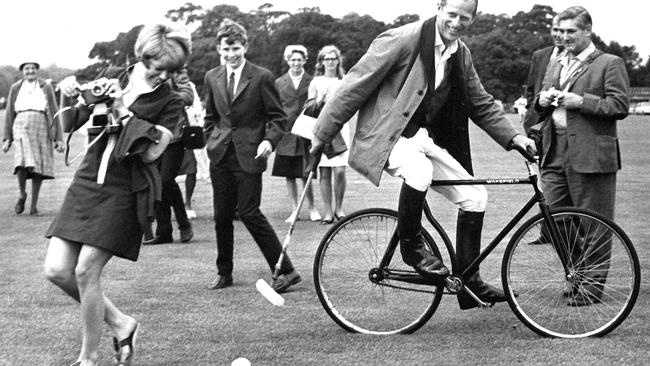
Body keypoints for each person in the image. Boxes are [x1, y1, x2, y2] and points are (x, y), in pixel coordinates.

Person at [311, 0, 536, 310]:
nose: (456, 22)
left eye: (465, 18)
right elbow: (354, 85)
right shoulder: (403, 39)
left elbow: (480, 103)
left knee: (475, 196)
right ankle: (412, 248)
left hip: (419, 138)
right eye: (452, 14)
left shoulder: (461, 54)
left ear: (473, 18)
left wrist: (515, 137)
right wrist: (322, 134)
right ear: (439, 7)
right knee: (419, 171)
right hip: (386, 136)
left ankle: (469, 283)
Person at [43, 24, 191, 366]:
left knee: (84, 271)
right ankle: (122, 323)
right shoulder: (112, 75)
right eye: (156, 66)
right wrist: (72, 94)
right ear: (144, 55)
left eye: (171, 70)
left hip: (126, 189)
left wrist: (122, 108)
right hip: (86, 183)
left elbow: (153, 152)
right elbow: (71, 123)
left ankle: (87, 359)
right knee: (56, 270)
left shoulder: (170, 102)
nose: (162, 75)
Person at [533, 6, 630, 307]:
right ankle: (578, 272)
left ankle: (592, 286)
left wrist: (580, 101)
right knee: (552, 218)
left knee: (595, 224)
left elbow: (619, 105)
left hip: (591, 152)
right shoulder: (556, 62)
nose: (564, 37)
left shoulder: (609, 63)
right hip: (554, 149)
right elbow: (539, 102)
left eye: (570, 32)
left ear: (587, 31)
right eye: (560, 32)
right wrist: (542, 99)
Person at [203, 19, 301, 293]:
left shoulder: (262, 77)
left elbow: (278, 118)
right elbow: (211, 116)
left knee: (249, 212)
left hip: (250, 155)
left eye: (235, 48)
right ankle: (224, 273)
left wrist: (269, 142)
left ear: (244, 46)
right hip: (220, 155)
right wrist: (211, 139)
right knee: (221, 216)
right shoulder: (212, 77)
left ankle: (286, 271)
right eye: (226, 49)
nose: (231, 54)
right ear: (219, 49)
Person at [2, 61, 64, 215]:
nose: (30, 71)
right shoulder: (16, 87)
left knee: (38, 166)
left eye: (33, 68)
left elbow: (54, 110)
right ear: (23, 71)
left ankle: (33, 206)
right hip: (21, 124)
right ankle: (22, 194)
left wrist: (58, 138)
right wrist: (7, 138)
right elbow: (10, 111)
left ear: (37, 70)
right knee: (21, 162)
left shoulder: (46, 86)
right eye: (27, 69)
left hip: (41, 125)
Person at [143, 67, 194, 245]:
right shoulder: (144, 71)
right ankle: (164, 232)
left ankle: (184, 224)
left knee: (165, 180)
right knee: (156, 182)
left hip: (174, 136)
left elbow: (188, 96)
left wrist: (161, 98)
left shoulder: (177, 71)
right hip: (151, 136)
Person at [272, 45, 321, 223]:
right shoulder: (279, 82)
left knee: (305, 172)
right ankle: (295, 209)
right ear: (288, 61)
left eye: (299, 59)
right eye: (293, 60)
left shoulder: (312, 80)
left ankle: (312, 207)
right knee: (289, 173)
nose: (296, 63)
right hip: (286, 132)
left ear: (304, 60)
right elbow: (276, 108)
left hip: (305, 131)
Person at [308, 45, 350, 224]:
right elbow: (308, 108)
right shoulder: (316, 81)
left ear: (338, 60)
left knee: (340, 171)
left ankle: (339, 208)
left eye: (333, 58)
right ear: (321, 62)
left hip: (341, 128)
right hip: (322, 128)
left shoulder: (345, 80)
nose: (330, 62)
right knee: (324, 171)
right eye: (326, 59)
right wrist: (319, 100)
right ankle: (327, 212)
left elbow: (352, 102)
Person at [523, 14, 565, 134]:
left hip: (562, 124)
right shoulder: (539, 55)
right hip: (536, 123)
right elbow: (531, 88)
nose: (558, 35)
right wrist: (531, 111)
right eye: (555, 30)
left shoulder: (577, 58)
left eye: (562, 31)